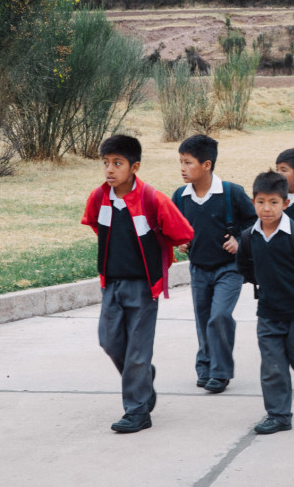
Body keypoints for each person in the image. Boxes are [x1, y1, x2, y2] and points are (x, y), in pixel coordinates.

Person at [81, 135, 194, 433]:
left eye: (117, 163)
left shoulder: (152, 199)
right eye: (106, 163)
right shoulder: (99, 197)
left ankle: (138, 411)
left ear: (135, 167)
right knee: (109, 341)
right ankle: (142, 376)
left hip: (144, 287)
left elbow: (183, 233)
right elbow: (94, 223)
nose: (109, 169)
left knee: (137, 352)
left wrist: (159, 247)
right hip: (111, 284)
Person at [237, 171, 294, 435]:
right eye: (260, 202)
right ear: (253, 202)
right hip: (268, 313)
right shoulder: (248, 238)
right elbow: (245, 269)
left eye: (273, 202)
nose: (266, 208)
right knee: (272, 367)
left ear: (286, 203)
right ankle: (278, 415)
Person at [174, 134, 257, 394]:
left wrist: (239, 241)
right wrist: (180, 242)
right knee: (203, 319)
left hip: (229, 268)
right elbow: (175, 227)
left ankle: (220, 372)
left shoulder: (231, 192)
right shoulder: (181, 196)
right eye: (181, 162)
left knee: (219, 316)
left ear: (207, 165)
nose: (182, 168)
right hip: (198, 268)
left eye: (188, 162)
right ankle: (206, 365)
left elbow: (255, 223)